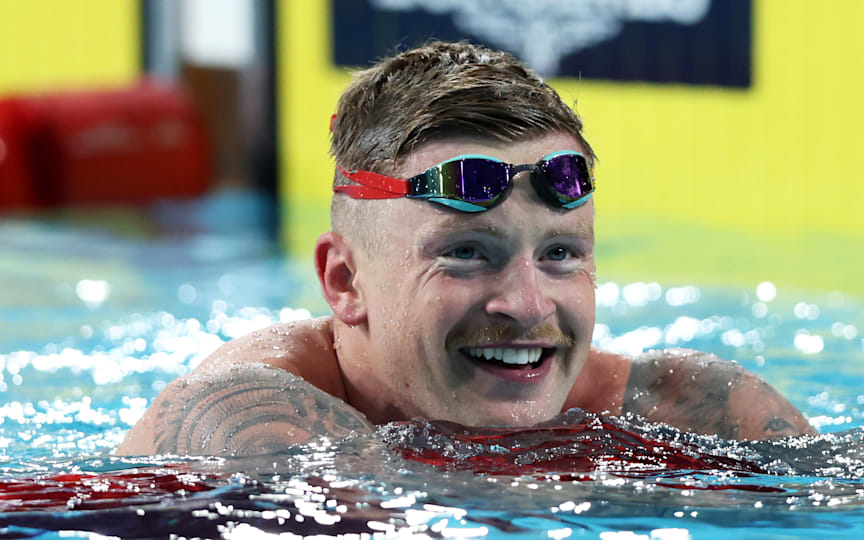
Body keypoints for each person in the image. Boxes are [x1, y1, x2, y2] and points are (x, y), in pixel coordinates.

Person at [116, 41, 815, 457]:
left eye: (561, 255)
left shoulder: (680, 410)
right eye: (468, 253)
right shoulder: (248, 417)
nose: (529, 306)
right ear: (345, 281)